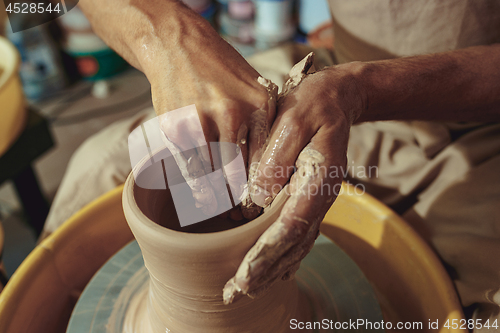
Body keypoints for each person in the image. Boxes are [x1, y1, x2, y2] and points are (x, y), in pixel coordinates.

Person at [43, 0, 500, 327]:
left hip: (472, 118)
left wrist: (361, 90)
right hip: (327, 73)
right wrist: (164, 33)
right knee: (98, 166)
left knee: (481, 318)